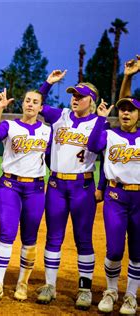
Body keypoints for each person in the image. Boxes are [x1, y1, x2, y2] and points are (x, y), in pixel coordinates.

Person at [36, 70, 106, 310]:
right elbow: (38, 103)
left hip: (82, 186)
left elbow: (99, 149)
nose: (75, 98)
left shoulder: (99, 122)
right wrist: (47, 83)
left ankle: (85, 289)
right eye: (73, 94)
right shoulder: (60, 116)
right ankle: (50, 286)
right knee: (53, 236)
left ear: (92, 101)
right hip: (56, 185)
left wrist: (101, 187)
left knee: (83, 239)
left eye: (81, 96)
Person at [0, 88, 51, 303]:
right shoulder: (10, 126)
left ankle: (22, 283)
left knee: (30, 238)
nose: (30, 104)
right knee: (6, 233)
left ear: (41, 108)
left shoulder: (48, 131)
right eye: (27, 100)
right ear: (22, 104)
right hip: (10, 186)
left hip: (35, 189)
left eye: (35, 102)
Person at [91, 56, 140, 315]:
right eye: (122, 109)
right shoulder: (110, 134)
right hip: (115, 196)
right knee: (114, 248)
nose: (125, 112)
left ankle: (131, 295)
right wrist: (128, 77)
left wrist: (130, 79)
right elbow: (92, 147)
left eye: (131, 109)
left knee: (138, 251)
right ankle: (110, 290)